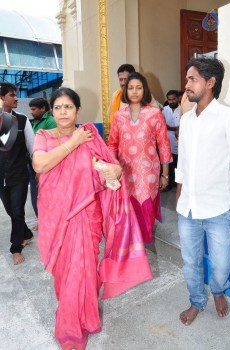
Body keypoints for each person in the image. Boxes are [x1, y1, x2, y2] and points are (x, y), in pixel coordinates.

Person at [32, 87, 153, 350]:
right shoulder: (44, 135)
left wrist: (114, 171)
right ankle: (73, 314)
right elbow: (40, 165)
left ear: (77, 110)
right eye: (58, 107)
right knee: (65, 274)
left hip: (86, 216)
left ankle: (77, 325)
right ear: (52, 111)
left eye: (68, 107)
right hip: (56, 216)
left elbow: (110, 167)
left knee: (82, 271)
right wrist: (73, 142)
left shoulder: (90, 135)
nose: (63, 112)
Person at [176, 57, 230, 326]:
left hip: (219, 206)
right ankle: (197, 300)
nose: (186, 84)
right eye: (187, 79)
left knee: (221, 264)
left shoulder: (227, 117)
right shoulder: (186, 120)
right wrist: (178, 193)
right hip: (188, 207)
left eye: (192, 79)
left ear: (210, 82)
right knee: (191, 262)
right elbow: (183, 162)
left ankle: (218, 290)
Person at [108, 72, 172, 244]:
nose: (134, 92)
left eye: (138, 88)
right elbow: (112, 144)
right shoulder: (119, 116)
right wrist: (113, 169)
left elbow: (164, 145)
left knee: (145, 206)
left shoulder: (154, 113)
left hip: (148, 171)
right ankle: (130, 246)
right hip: (124, 170)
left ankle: (141, 245)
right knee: (126, 209)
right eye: (130, 88)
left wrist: (165, 174)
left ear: (145, 90)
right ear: (125, 91)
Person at [0, 82, 35, 265]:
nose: (16, 98)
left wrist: (37, 169)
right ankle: (27, 233)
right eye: (12, 95)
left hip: (19, 174)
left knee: (17, 210)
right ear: (2, 98)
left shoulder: (22, 119)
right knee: (11, 211)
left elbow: (33, 147)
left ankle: (16, 247)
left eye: (16, 94)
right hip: (1, 177)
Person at [28, 97, 57, 219]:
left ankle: (46, 220)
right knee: (36, 194)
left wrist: (41, 169)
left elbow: (52, 148)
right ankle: (41, 219)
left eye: (34, 109)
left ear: (43, 108)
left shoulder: (50, 122)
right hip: (35, 163)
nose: (31, 112)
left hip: (45, 165)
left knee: (43, 195)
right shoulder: (37, 121)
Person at [162, 90, 180, 190]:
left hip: (179, 143)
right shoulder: (164, 110)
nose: (171, 101)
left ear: (178, 98)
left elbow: (184, 126)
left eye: (173, 99)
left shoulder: (183, 109)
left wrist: (170, 127)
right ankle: (168, 184)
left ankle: (179, 186)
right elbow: (162, 127)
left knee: (178, 165)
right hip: (167, 143)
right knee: (169, 165)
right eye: (169, 100)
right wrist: (176, 128)